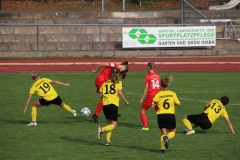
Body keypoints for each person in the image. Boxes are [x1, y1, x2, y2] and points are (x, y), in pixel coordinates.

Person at [97, 67, 129, 146]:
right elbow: (119, 92)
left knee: (109, 124)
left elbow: (100, 95)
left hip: (105, 106)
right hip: (113, 105)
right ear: (118, 74)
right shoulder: (118, 83)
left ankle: (107, 141)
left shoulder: (104, 83)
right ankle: (102, 129)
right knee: (114, 125)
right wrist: (125, 100)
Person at [152, 76, 180, 154]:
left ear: (160, 85)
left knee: (163, 133)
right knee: (173, 131)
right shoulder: (172, 93)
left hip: (160, 116)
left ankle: (162, 150)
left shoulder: (158, 94)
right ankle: (167, 138)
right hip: (170, 115)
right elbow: (178, 103)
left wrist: (156, 104)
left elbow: (152, 105)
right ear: (167, 85)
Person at [138, 62, 161, 130]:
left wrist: (142, 98)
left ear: (148, 67)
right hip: (158, 96)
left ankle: (145, 127)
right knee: (159, 111)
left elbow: (146, 88)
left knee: (143, 110)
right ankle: (164, 125)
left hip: (151, 96)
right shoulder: (157, 76)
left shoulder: (148, 76)